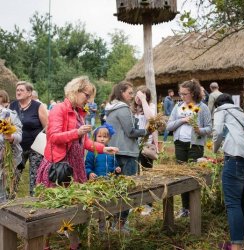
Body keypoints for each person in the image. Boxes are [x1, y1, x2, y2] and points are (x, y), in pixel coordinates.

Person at [36, 76, 119, 250]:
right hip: (60, 166)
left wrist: (104, 149)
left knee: (74, 205)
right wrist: (76, 132)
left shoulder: (80, 113)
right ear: (76, 91)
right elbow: (53, 137)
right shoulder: (59, 109)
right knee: (51, 206)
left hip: (76, 166)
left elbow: (85, 143)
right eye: (86, 95)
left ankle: (75, 244)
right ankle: (44, 244)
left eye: (89, 97)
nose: (88, 100)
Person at [213, 93, 244, 250]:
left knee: (233, 203)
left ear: (217, 104)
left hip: (236, 158)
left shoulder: (220, 110)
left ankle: (236, 246)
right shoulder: (240, 112)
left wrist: (215, 148)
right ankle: (243, 237)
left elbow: (218, 132)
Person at [105, 80, 148, 231]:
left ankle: (114, 222)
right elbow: (130, 132)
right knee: (126, 189)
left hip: (115, 151)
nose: (131, 95)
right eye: (129, 93)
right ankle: (120, 224)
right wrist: (147, 130)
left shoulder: (111, 108)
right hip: (126, 153)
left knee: (116, 189)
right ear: (121, 92)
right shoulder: (122, 109)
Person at [166, 79, 212, 218]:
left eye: (184, 94)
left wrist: (199, 130)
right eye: (180, 93)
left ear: (193, 93)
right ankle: (185, 208)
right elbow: (168, 126)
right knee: (182, 176)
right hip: (180, 144)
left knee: (192, 175)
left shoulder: (202, 107)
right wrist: (182, 120)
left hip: (195, 145)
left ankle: (194, 207)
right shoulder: (178, 106)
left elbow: (209, 128)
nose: (182, 96)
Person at [9, 81, 48, 196]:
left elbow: (47, 126)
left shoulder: (38, 106)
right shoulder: (13, 105)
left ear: (29, 93)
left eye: (21, 90)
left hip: (35, 147)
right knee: (14, 173)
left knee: (35, 176)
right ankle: (9, 198)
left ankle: (34, 200)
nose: (18, 92)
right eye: (17, 90)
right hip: (17, 146)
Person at [133, 85, 158, 216]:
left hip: (146, 145)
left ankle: (148, 204)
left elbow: (151, 120)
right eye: (138, 95)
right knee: (134, 175)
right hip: (133, 146)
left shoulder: (150, 106)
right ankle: (135, 202)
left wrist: (143, 101)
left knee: (147, 174)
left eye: (143, 95)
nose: (139, 98)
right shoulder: (131, 108)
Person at [0, 90, 23, 200]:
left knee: (4, 191)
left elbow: (19, 136)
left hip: (6, 159)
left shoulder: (9, 115)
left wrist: (11, 137)